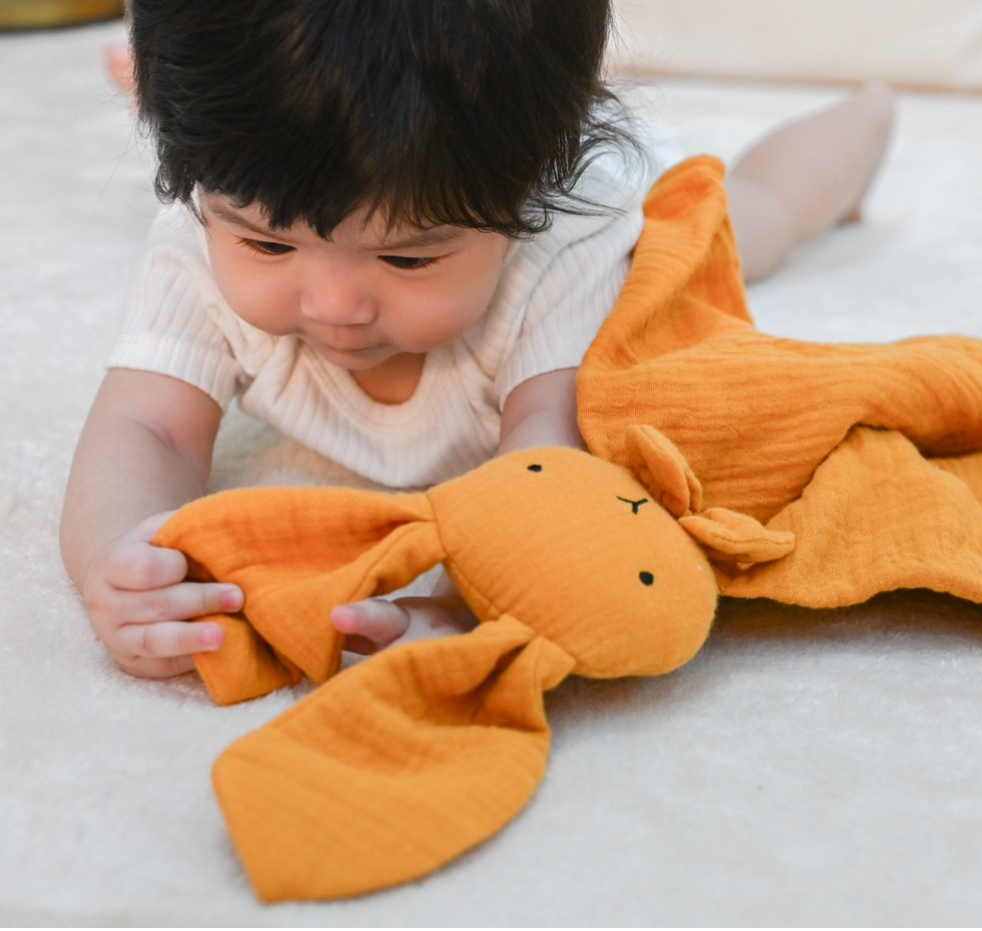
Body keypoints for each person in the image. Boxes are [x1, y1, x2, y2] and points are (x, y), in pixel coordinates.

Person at [65, 0, 894, 680]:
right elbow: (145, 426)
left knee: (754, 218)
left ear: (525, 198)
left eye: (407, 257)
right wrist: (120, 555)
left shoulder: (570, 252)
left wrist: (471, 601)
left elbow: (549, 461)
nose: (335, 303)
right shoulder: (199, 233)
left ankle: (866, 117)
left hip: (620, 200)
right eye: (267, 245)